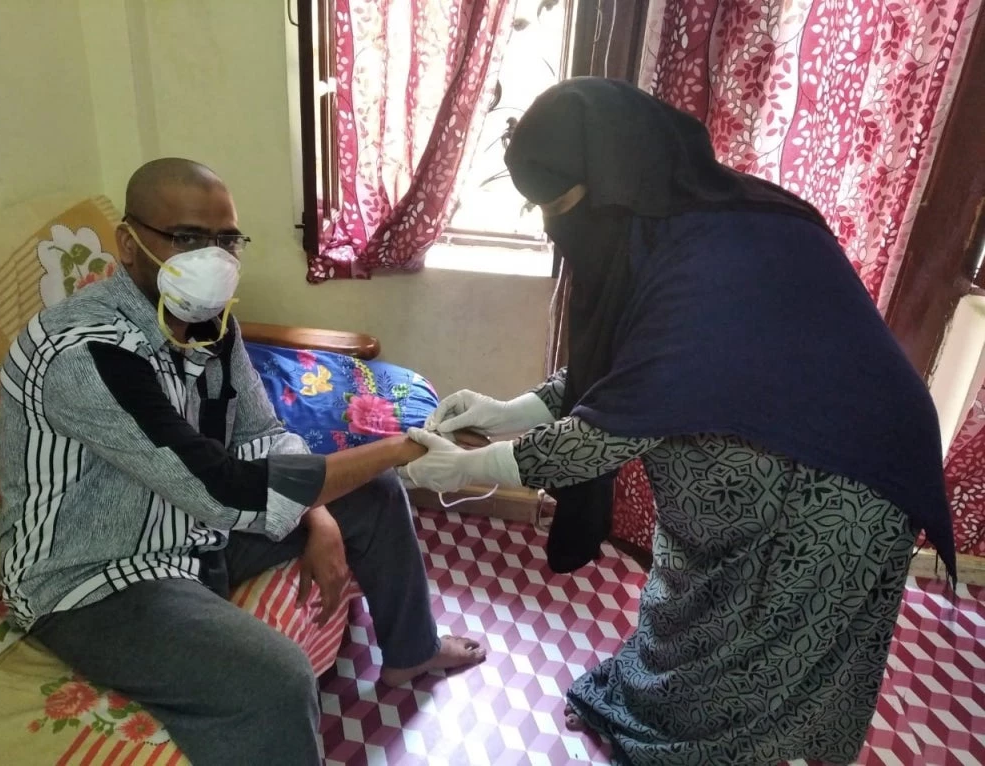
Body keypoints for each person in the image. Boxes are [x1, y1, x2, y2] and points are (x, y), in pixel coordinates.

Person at [401, 78, 956, 766]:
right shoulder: (670, 224)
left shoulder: (712, 253)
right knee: (705, 608)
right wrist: (505, 410)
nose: (550, 226)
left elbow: (611, 430)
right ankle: (676, 714)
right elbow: (622, 369)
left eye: (557, 204)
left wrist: (467, 468)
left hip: (847, 464)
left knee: (771, 643)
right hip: (769, 439)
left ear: (606, 180)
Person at [0, 158, 485, 766]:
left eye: (226, 238)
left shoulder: (204, 320)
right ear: (128, 243)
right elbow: (225, 489)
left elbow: (259, 431)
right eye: (188, 238)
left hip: (191, 528)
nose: (214, 257)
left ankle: (411, 649)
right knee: (274, 679)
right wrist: (407, 445)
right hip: (97, 576)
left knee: (376, 492)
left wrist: (320, 516)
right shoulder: (86, 354)